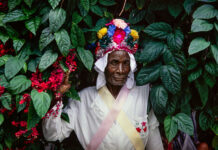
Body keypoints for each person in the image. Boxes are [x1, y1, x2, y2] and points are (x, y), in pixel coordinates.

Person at [42, 19, 164, 150]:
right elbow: (52, 135)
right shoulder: (83, 99)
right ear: (103, 65)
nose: (121, 70)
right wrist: (57, 96)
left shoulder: (144, 93)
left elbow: (153, 135)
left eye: (126, 63)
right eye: (114, 63)